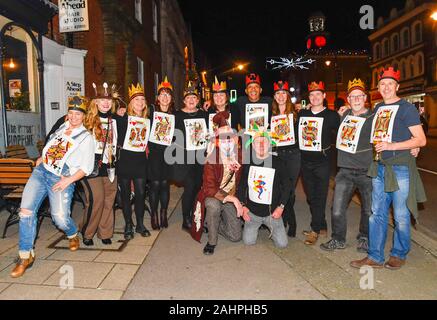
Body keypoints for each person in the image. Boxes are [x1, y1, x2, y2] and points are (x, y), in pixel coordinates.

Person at [11, 95, 95, 278]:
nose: (73, 117)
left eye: (77, 114)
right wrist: (43, 156)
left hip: (62, 177)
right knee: (25, 211)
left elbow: (86, 168)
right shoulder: (63, 126)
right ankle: (25, 256)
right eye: (71, 113)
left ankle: (72, 234)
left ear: (84, 116)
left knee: (59, 218)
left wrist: (68, 180)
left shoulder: (86, 138)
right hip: (41, 172)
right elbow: (52, 144)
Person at [351, 67, 426, 270]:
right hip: (379, 168)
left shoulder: (406, 108)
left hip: (400, 168)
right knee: (377, 213)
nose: (386, 87)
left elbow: (421, 139)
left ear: (397, 86)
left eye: (390, 83)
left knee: (401, 215)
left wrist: (398, 146)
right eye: (382, 83)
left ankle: (398, 253)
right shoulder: (377, 108)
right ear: (378, 87)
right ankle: (374, 256)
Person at [320, 79, 373, 253]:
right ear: (348, 99)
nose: (356, 99)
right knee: (336, 209)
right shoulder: (342, 116)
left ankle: (364, 237)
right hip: (345, 171)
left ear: (365, 97)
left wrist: (413, 145)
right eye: (352, 96)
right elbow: (323, 122)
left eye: (359, 96)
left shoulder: (374, 117)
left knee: (368, 210)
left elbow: (390, 133)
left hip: (367, 172)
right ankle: (338, 239)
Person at [191, 111, 243, 255]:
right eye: (223, 139)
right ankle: (211, 241)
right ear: (218, 142)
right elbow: (209, 188)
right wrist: (234, 200)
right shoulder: (211, 158)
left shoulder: (240, 156)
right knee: (213, 207)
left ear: (234, 140)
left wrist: (242, 203)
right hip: (214, 195)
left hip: (231, 196)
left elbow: (245, 181)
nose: (227, 142)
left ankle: (213, 223)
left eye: (229, 139)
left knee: (236, 236)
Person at [298, 81, 340, 245]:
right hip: (305, 161)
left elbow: (343, 134)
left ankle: (315, 230)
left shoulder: (331, 115)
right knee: (311, 196)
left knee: (320, 196)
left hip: (322, 161)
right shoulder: (302, 114)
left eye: (318, 94)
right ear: (309, 97)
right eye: (312, 94)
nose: (315, 97)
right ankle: (322, 225)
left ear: (324, 96)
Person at [237, 126, 291, 249]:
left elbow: (288, 186)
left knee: (282, 244)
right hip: (253, 213)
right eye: (257, 142)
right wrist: (243, 206)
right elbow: (241, 186)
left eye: (264, 142)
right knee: (248, 241)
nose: (261, 145)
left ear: (270, 144)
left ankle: (272, 226)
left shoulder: (278, 162)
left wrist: (281, 207)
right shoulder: (248, 163)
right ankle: (254, 226)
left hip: (272, 213)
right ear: (253, 146)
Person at [80, 83, 119, 246]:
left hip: (110, 164)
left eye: (108, 99)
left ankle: (105, 233)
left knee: (109, 200)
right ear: (95, 101)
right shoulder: (86, 120)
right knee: (97, 200)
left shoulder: (115, 119)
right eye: (102, 99)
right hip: (92, 165)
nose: (106, 102)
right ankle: (87, 232)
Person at [116, 83, 151, 240]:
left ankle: (140, 224)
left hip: (140, 161)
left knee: (140, 194)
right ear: (131, 103)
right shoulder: (122, 117)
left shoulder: (148, 119)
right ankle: (128, 224)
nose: (140, 102)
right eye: (137, 99)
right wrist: (118, 113)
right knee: (125, 195)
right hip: (125, 160)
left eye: (143, 99)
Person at [173, 81, 209, 232]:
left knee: (197, 188)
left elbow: (210, 132)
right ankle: (186, 218)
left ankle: (197, 217)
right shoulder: (176, 115)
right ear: (184, 100)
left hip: (200, 157)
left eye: (194, 97)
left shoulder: (203, 115)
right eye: (188, 98)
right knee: (189, 187)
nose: (191, 100)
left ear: (198, 100)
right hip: (183, 158)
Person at [271, 81, 300, 238]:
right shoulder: (271, 115)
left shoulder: (297, 114)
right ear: (274, 97)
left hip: (294, 154)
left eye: (284, 93)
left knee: (290, 188)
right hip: (278, 154)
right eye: (278, 93)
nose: (281, 96)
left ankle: (291, 221)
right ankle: (284, 219)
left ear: (287, 96)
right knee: (281, 187)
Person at [148, 77, 175, 230]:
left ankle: (163, 213)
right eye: (162, 94)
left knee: (165, 184)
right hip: (154, 154)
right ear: (157, 98)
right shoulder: (151, 112)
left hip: (168, 154)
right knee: (155, 184)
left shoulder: (175, 114)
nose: (165, 97)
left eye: (168, 94)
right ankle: (154, 215)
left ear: (171, 98)